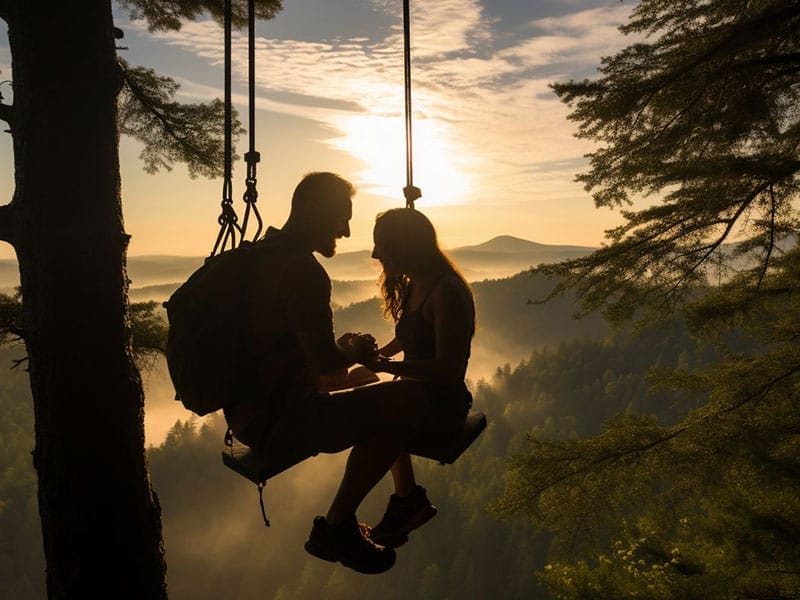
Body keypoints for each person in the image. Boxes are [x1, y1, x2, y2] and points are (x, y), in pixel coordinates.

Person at [222, 173, 471, 575]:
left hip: (251, 414)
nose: (347, 230)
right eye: (342, 216)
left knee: (384, 398)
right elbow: (326, 365)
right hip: (287, 416)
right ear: (312, 210)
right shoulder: (302, 270)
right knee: (403, 400)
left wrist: (365, 362)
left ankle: (402, 500)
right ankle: (340, 524)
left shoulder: (263, 257)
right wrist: (354, 354)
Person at [359, 208, 476, 548]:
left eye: (383, 244)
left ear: (406, 245)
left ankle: (407, 500)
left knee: (372, 417)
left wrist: (387, 367)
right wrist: (379, 353)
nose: (375, 254)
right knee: (369, 410)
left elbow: (449, 370)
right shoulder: (417, 286)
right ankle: (407, 498)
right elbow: (410, 337)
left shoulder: (445, 292)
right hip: (416, 397)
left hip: (443, 406)